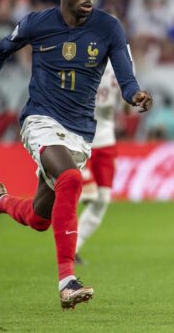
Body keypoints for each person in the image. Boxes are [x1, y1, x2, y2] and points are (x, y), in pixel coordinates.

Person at [0, 0, 153, 308]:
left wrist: (135, 95)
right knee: (71, 180)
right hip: (40, 120)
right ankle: (67, 282)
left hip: (81, 132)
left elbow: (124, 74)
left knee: (40, 218)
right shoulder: (36, 24)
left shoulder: (108, 27)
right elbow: (0, 52)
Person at [75, 61, 120, 265]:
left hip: (106, 138)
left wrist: (132, 100)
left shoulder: (124, 58)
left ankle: (73, 248)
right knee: (84, 193)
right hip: (79, 134)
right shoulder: (84, 47)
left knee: (102, 199)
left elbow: (126, 105)